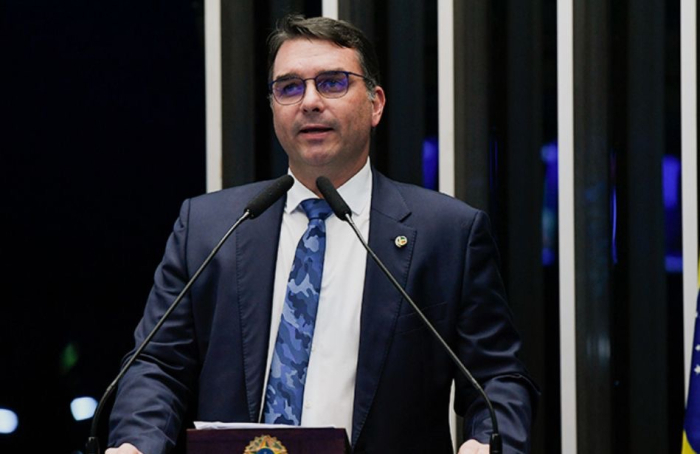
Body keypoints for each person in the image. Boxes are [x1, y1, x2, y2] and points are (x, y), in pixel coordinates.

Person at [106, 14, 538, 454]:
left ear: (375, 104)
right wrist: (136, 444)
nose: (309, 102)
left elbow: (498, 378)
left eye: (332, 83)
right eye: (289, 87)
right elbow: (157, 365)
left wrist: (489, 443)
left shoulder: (446, 233)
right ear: (273, 107)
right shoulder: (209, 226)